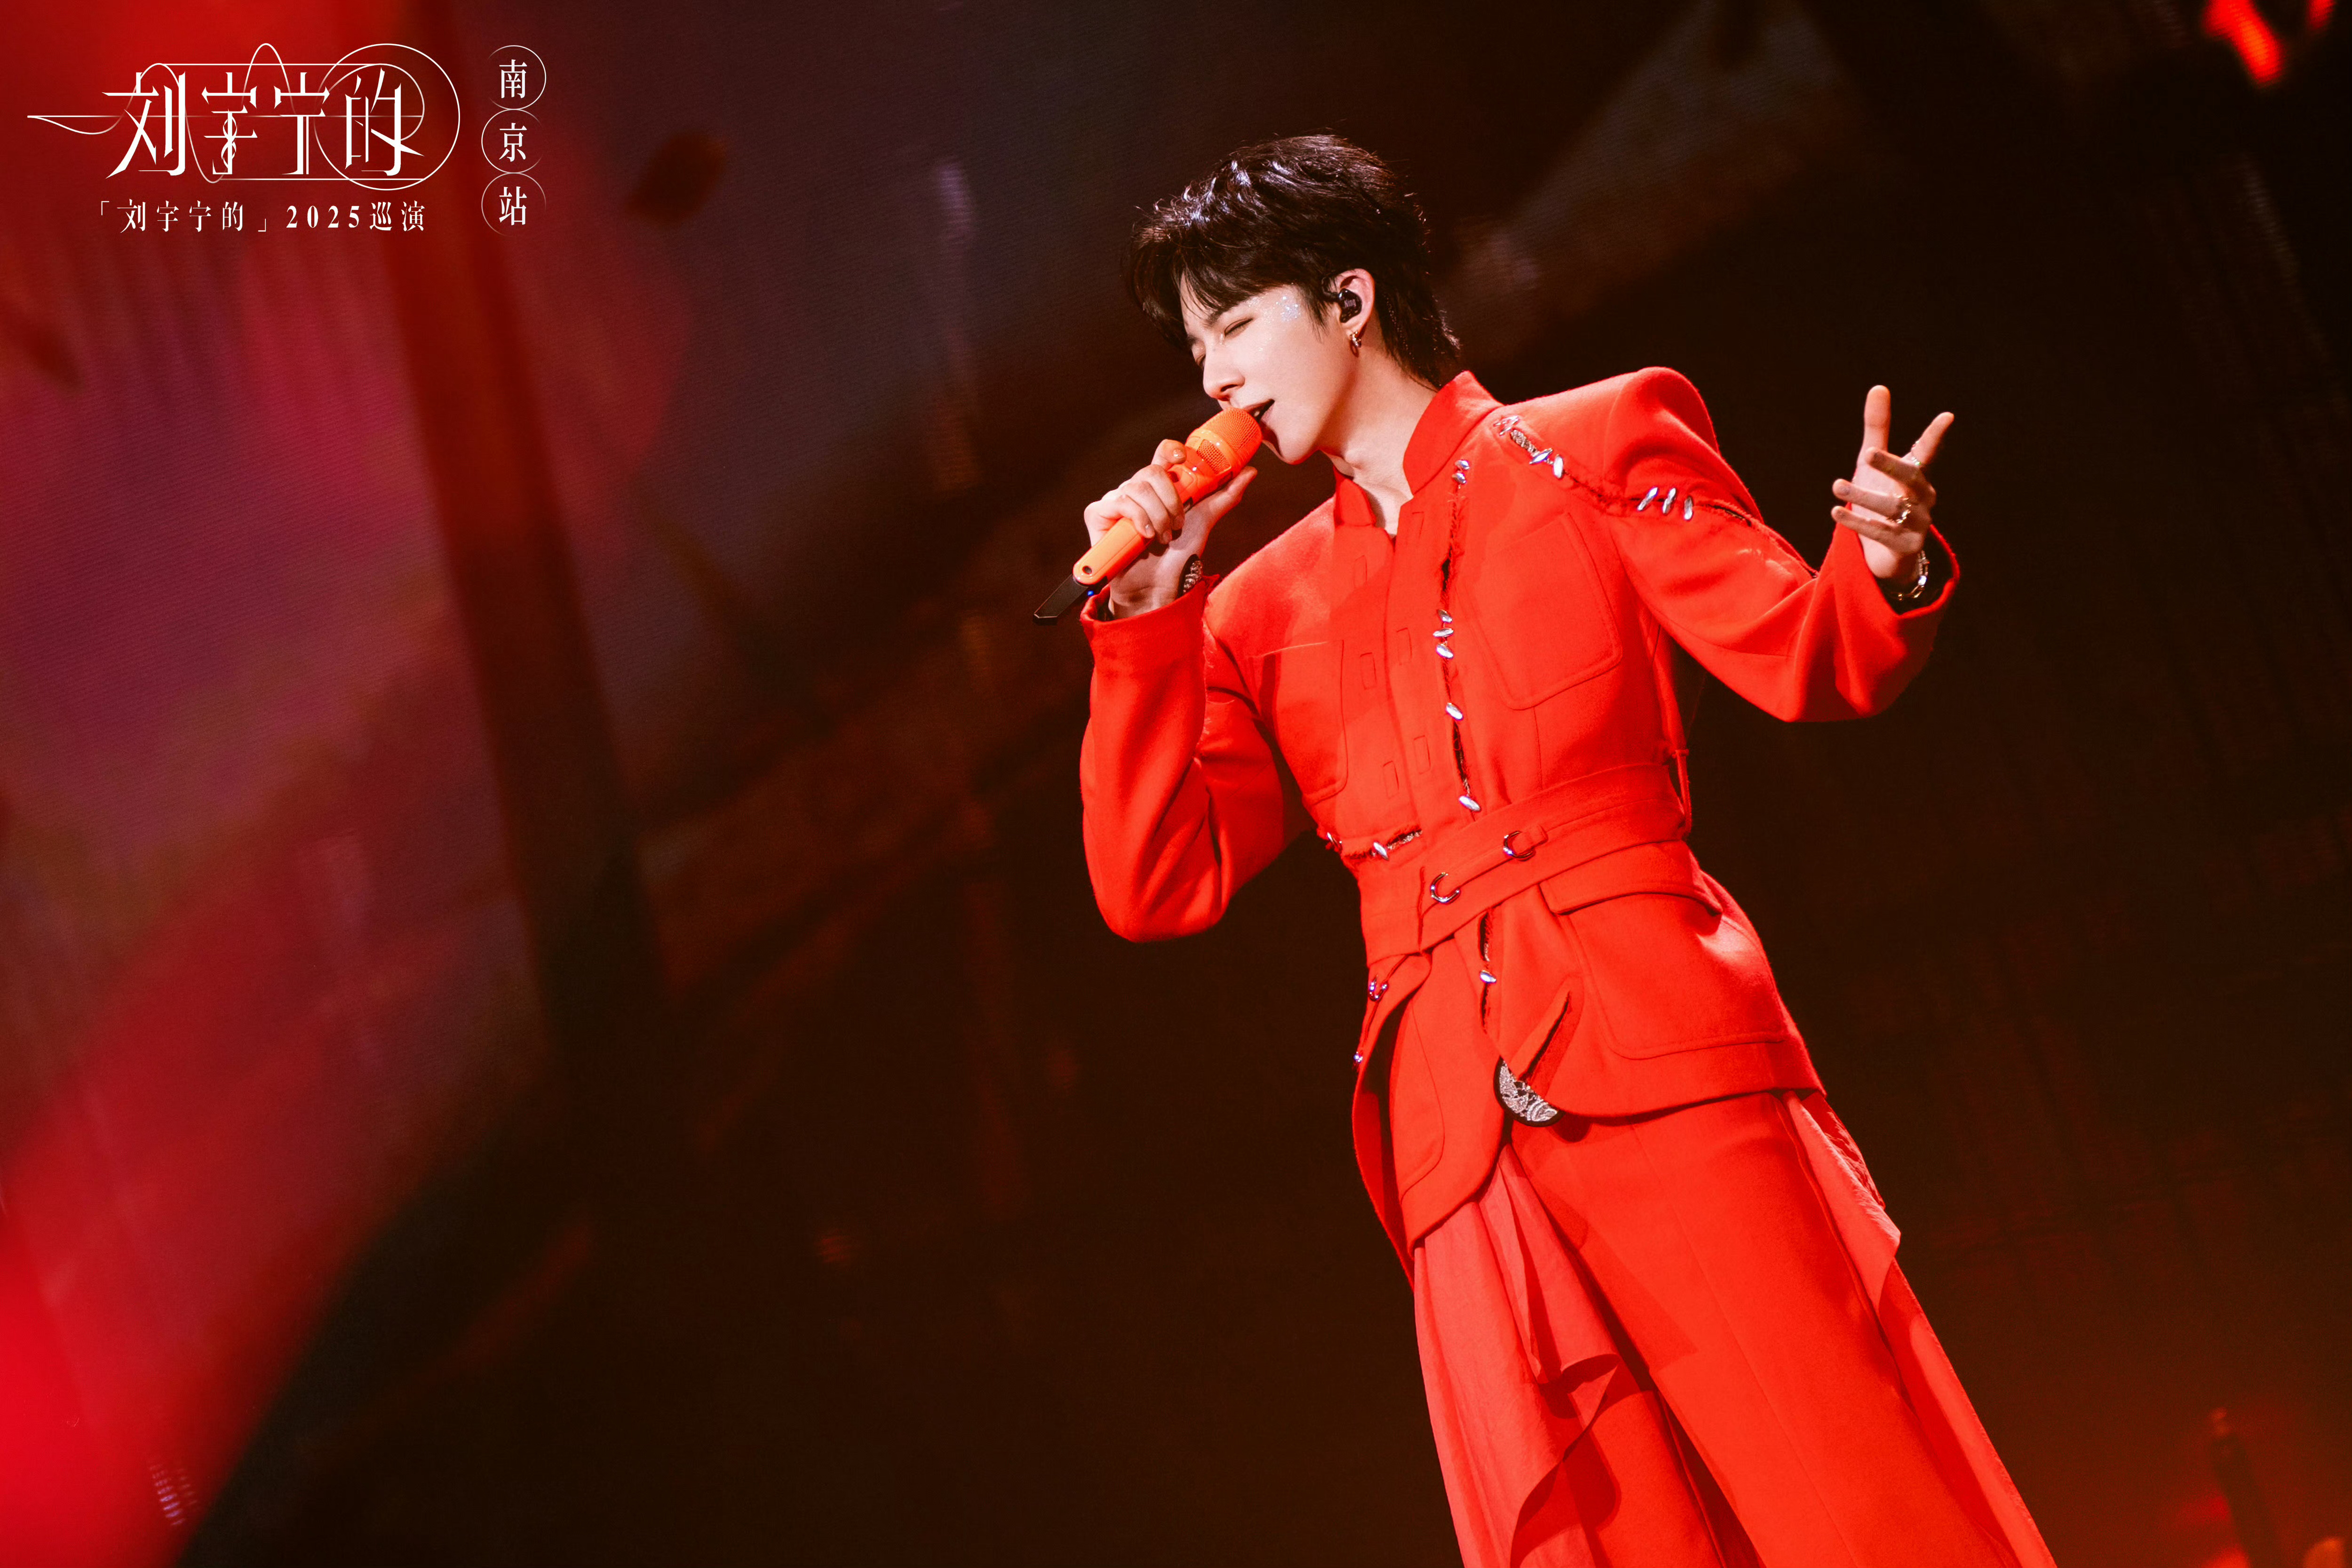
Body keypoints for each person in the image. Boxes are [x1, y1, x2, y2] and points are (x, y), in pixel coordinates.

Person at [1072, 134, 2054, 1568]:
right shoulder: (1255, 609)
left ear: (1350, 299)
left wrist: (1885, 562)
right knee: (1591, 1541)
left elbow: (1809, 652)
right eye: (1194, 345)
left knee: (1841, 1488)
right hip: (1451, 1130)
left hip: (1659, 1051)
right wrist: (1145, 627)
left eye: (1236, 324)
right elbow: (1154, 883)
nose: (1214, 375)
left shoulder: (1595, 443)